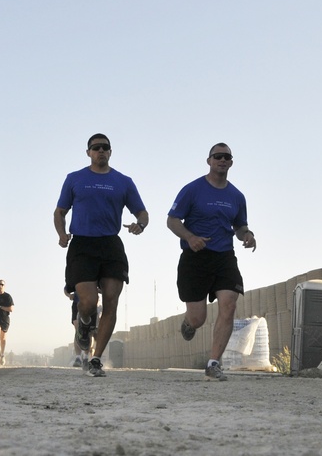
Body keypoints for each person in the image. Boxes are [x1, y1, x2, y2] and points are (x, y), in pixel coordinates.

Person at [54, 133, 148, 378]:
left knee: (111, 301)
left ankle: (96, 359)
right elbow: (60, 211)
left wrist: (141, 224)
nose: (101, 151)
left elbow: (142, 212)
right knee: (85, 302)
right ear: (88, 152)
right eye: (96, 148)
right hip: (82, 244)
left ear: (110, 152)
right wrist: (62, 234)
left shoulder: (123, 181)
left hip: (111, 245)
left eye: (105, 147)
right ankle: (84, 325)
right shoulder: (75, 179)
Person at [166, 142, 258, 382]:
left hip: (224, 256)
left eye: (227, 157)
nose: (222, 160)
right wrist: (190, 237)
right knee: (198, 318)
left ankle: (213, 363)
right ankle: (189, 322)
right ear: (209, 161)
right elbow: (172, 220)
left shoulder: (237, 196)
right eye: (218, 156)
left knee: (229, 304)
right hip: (195, 257)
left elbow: (239, 226)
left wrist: (247, 235)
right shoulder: (193, 189)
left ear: (231, 162)